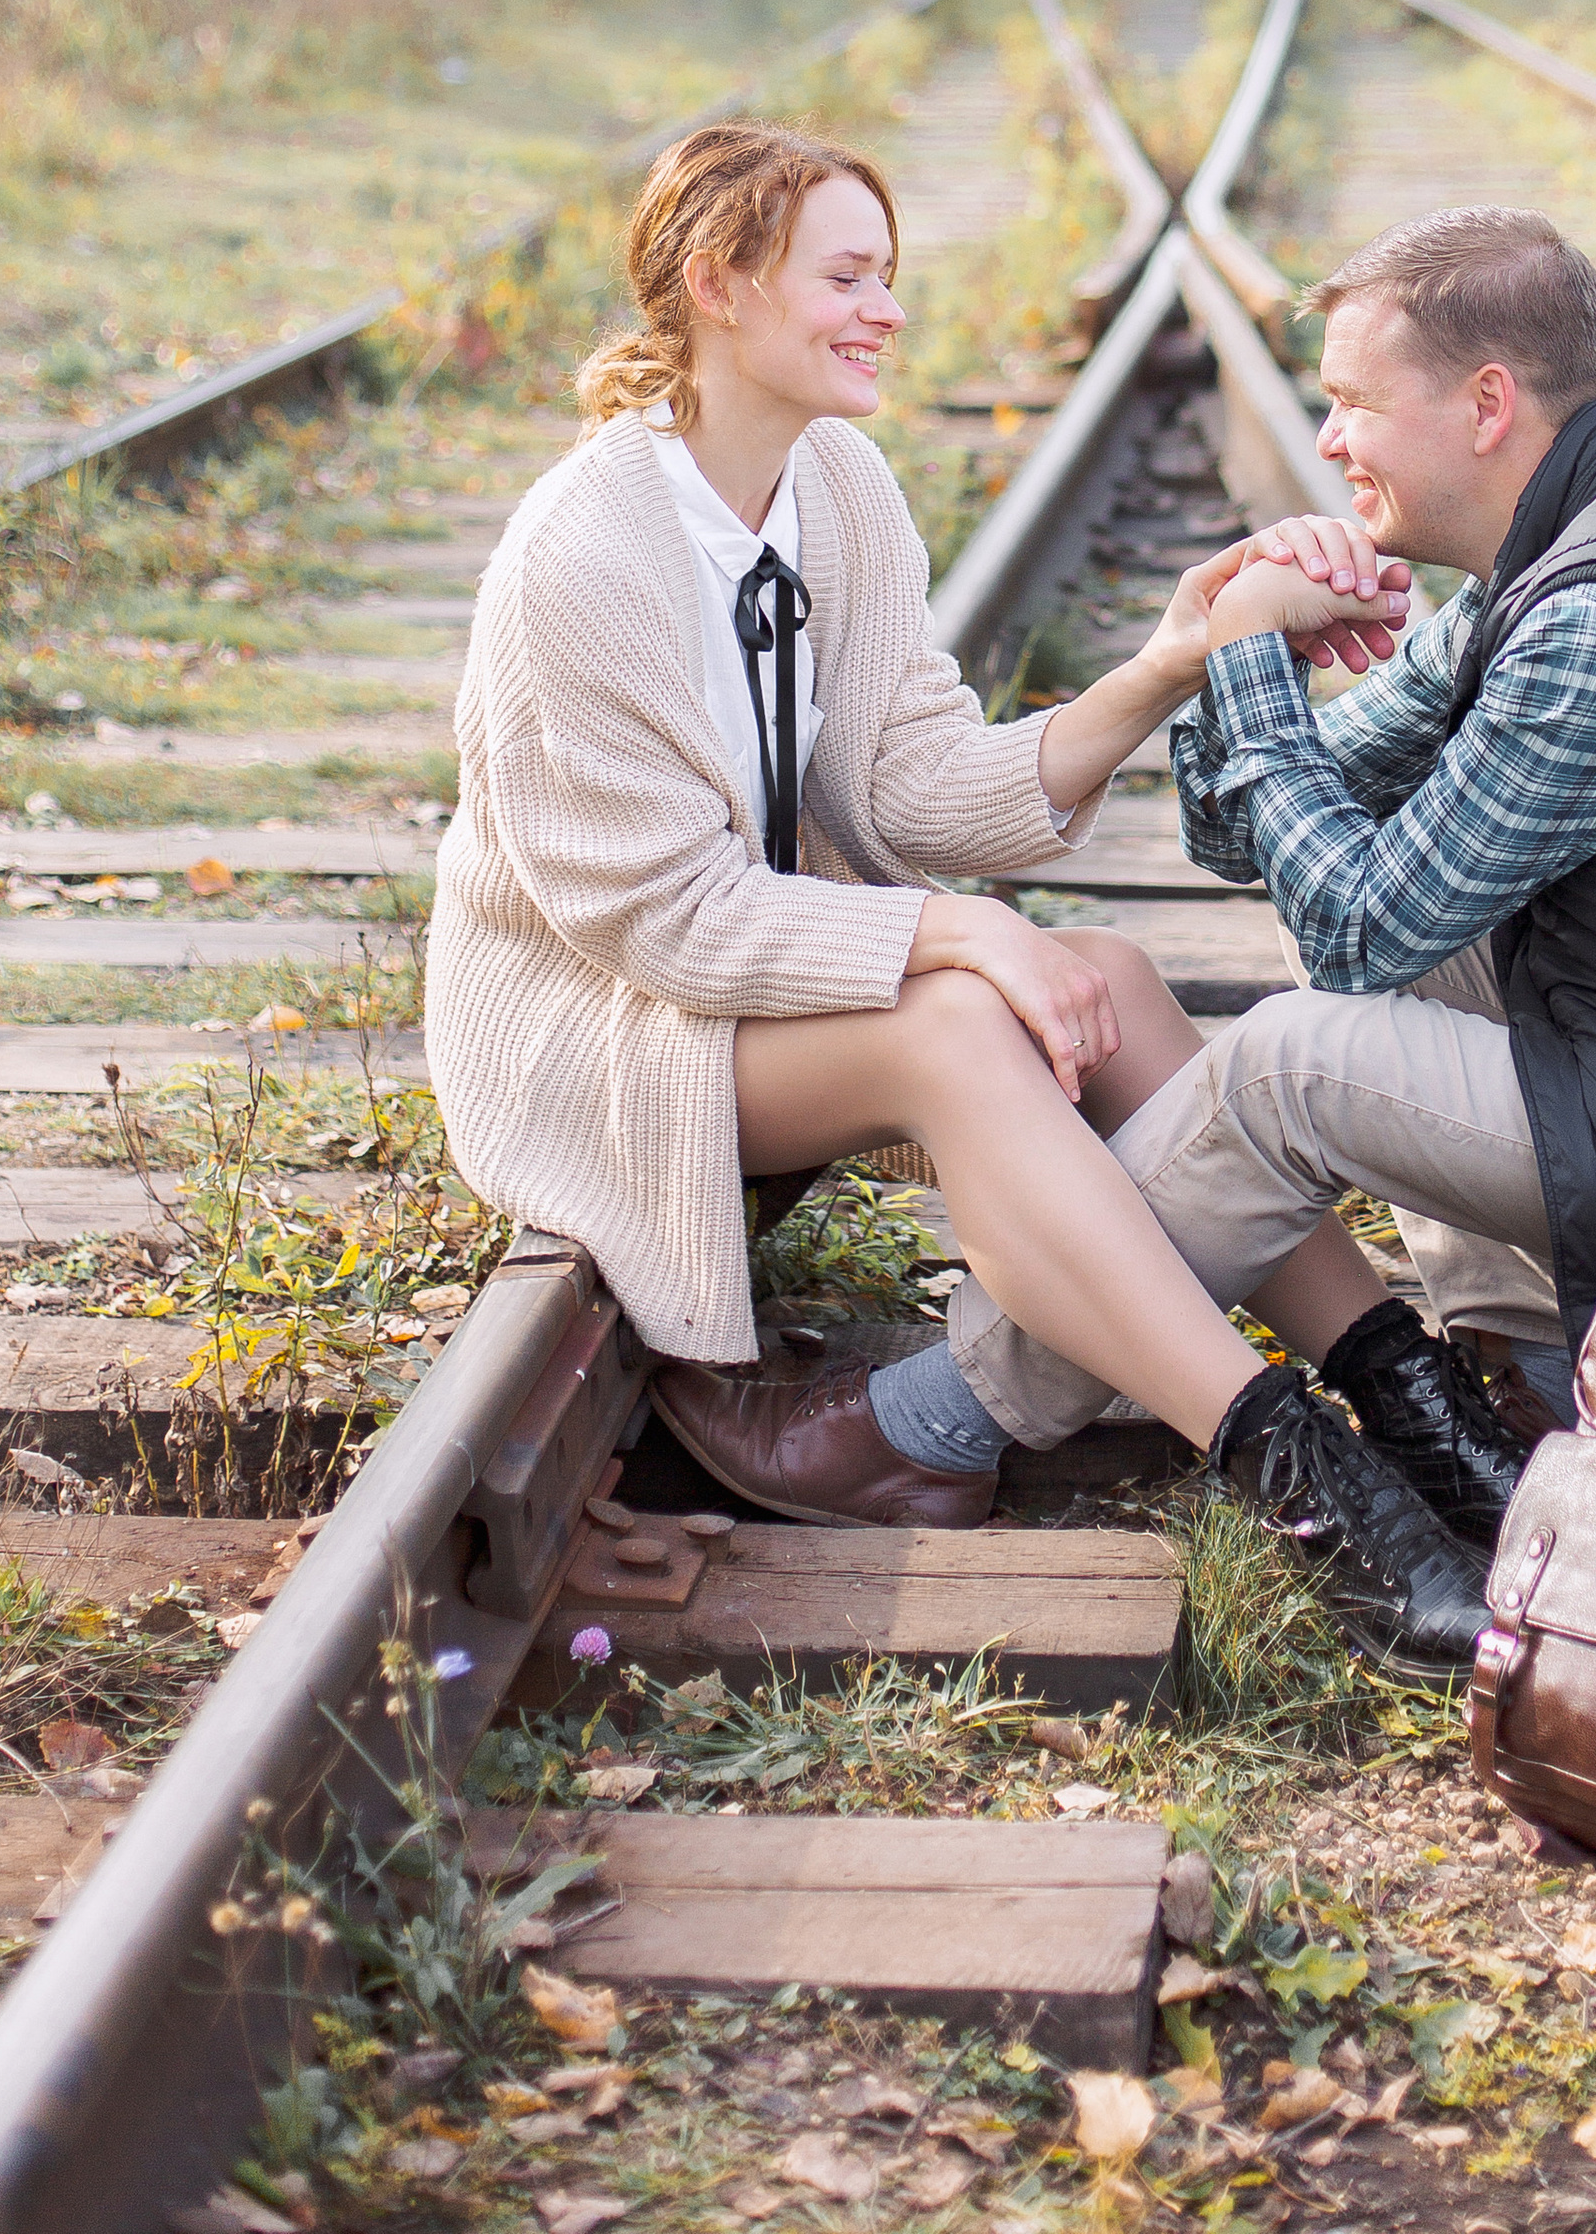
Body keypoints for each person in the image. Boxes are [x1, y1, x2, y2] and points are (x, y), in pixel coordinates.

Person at [784, 201, 1596, 1480]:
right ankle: (1528, 1369)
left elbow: (1352, 924)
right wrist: (1224, 652)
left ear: (1487, 405)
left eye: (1355, 405)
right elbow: (1244, 837)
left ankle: (933, 1429)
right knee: (1413, 940)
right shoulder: (1563, 545)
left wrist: (1257, 673)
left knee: (1290, 1067)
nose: (1325, 442)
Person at [426, 117, 1498, 1676]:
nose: (886, 309)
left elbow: (919, 783)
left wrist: (1170, 662)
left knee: (1115, 983)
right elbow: (659, 926)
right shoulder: (579, 554)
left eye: (888, 275)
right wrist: (960, 928)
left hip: (720, 985)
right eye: (846, 275)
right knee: (958, 1029)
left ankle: (1421, 1413)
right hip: (600, 1035)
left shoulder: (835, 488)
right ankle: (1315, 1496)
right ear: (718, 287)